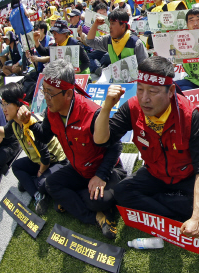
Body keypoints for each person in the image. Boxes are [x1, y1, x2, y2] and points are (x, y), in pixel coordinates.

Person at [94, 56, 199, 235]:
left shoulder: (190, 116)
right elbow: (101, 140)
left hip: (185, 176)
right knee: (122, 192)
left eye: (152, 91)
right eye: (140, 89)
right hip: (154, 173)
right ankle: (172, 210)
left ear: (171, 90)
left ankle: (161, 208)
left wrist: (197, 217)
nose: (144, 99)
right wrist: (106, 108)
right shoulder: (132, 107)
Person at [29, 60, 126, 239]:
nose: (46, 98)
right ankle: (97, 217)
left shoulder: (91, 113)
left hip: (103, 170)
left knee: (99, 200)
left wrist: (101, 176)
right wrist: (28, 122)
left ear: (68, 94)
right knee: (51, 184)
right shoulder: (52, 112)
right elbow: (44, 136)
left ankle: (81, 201)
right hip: (78, 168)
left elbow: (116, 145)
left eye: (50, 93)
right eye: (44, 91)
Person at [0, 82, 67, 215]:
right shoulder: (14, 123)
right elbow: (4, 133)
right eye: (2, 104)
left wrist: (40, 172)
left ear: (17, 104)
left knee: (42, 182)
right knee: (16, 166)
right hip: (38, 160)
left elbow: (45, 157)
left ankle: (33, 182)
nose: (3, 108)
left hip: (55, 161)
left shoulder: (30, 123)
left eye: (6, 104)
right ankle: (38, 196)